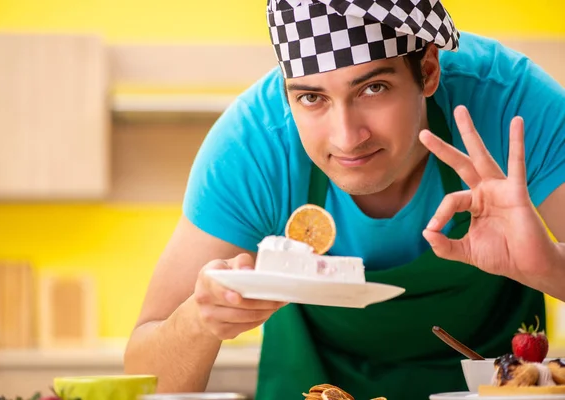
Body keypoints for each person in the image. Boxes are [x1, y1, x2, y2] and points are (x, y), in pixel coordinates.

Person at [124, 0, 565, 399]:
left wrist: (546, 266)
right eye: (312, 98)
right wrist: (199, 322)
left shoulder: (512, 104)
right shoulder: (253, 146)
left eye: (373, 89)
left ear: (428, 71)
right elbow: (143, 379)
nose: (346, 138)